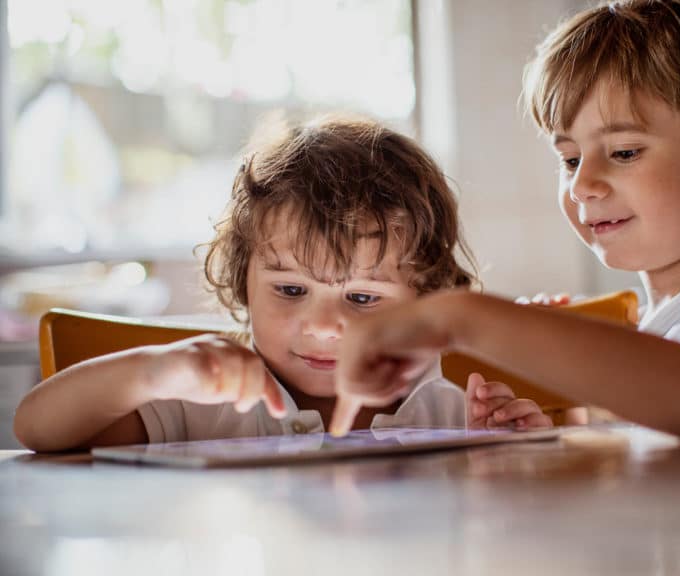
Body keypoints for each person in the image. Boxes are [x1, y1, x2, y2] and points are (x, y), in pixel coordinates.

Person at [329, 0, 680, 439]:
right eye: (570, 159)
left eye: (623, 152)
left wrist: (462, 316)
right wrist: (555, 424)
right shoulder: (653, 328)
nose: (581, 184)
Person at [14, 114, 550, 452]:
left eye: (361, 297)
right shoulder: (209, 403)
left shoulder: (448, 410)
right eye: (291, 290)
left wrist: (511, 444)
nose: (320, 328)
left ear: (427, 300)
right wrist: (153, 372)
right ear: (242, 277)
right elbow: (36, 430)